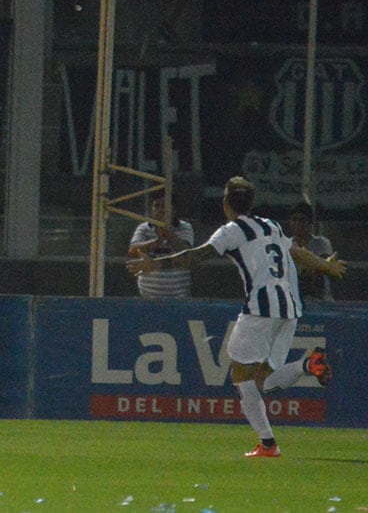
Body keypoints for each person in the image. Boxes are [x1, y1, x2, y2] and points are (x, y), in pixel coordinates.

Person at [127, 176, 346, 457]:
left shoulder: (231, 231)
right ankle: (307, 365)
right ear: (252, 203)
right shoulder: (271, 225)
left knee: (244, 379)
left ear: (226, 204)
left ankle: (268, 444)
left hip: (259, 310)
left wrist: (154, 263)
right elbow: (298, 253)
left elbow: (195, 257)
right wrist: (325, 266)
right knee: (262, 382)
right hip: (290, 310)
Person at [128, 192, 194, 298]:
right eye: (156, 206)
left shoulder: (184, 227)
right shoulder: (144, 228)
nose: (159, 210)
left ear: (173, 210)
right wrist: (156, 242)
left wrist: (167, 233)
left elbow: (186, 252)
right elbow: (133, 250)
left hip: (178, 296)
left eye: (163, 206)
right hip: (148, 296)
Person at [288, 201, 335, 302]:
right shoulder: (286, 244)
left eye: (302, 220)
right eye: (294, 220)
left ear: (310, 223)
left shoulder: (322, 243)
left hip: (320, 300)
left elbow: (323, 266)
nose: (298, 224)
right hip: (293, 300)